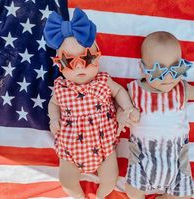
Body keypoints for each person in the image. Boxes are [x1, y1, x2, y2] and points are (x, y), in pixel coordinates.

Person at [43, 8, 140, 199]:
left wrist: (127, 107)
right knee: (66, 180)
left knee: (110, 178)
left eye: (86, 58)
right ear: (59, 64)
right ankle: (78, 196)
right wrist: (54, 118)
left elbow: (119, 91)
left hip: (103, 145)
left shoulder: (103, 81)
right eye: (69, 61)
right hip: (70, 148)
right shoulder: (61, 87)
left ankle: (101, 195)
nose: (79, 66)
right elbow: (53, 105)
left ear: (97, 57)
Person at [117, 31, 194, 199]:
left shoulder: (181, 89)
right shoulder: (134, 90)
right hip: (142, 159)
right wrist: (123, 115)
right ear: (142, 68)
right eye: (159, 71)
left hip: (176, 160)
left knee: (184, 196)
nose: (169, 77)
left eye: (177, 68)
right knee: (132, 191)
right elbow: (119, 105)